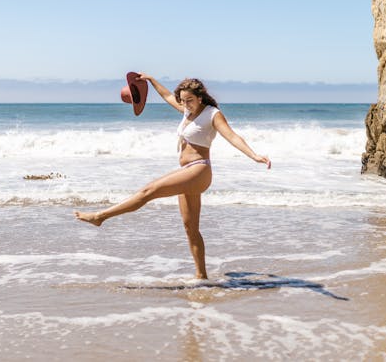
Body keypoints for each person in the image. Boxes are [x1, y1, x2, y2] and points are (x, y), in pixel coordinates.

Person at [74, 74, 271, 279]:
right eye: (183, 101)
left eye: (190, 100)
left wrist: (254, 156)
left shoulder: (213, 114)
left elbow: (232, 136)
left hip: (199, 170)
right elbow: (168, 96)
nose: (186, 104)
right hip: (188, 173)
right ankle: (201, 276)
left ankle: (100, 217)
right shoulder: (187, 111)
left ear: (200, 98)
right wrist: (151, 81)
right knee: (190, 228)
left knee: (148, 191)